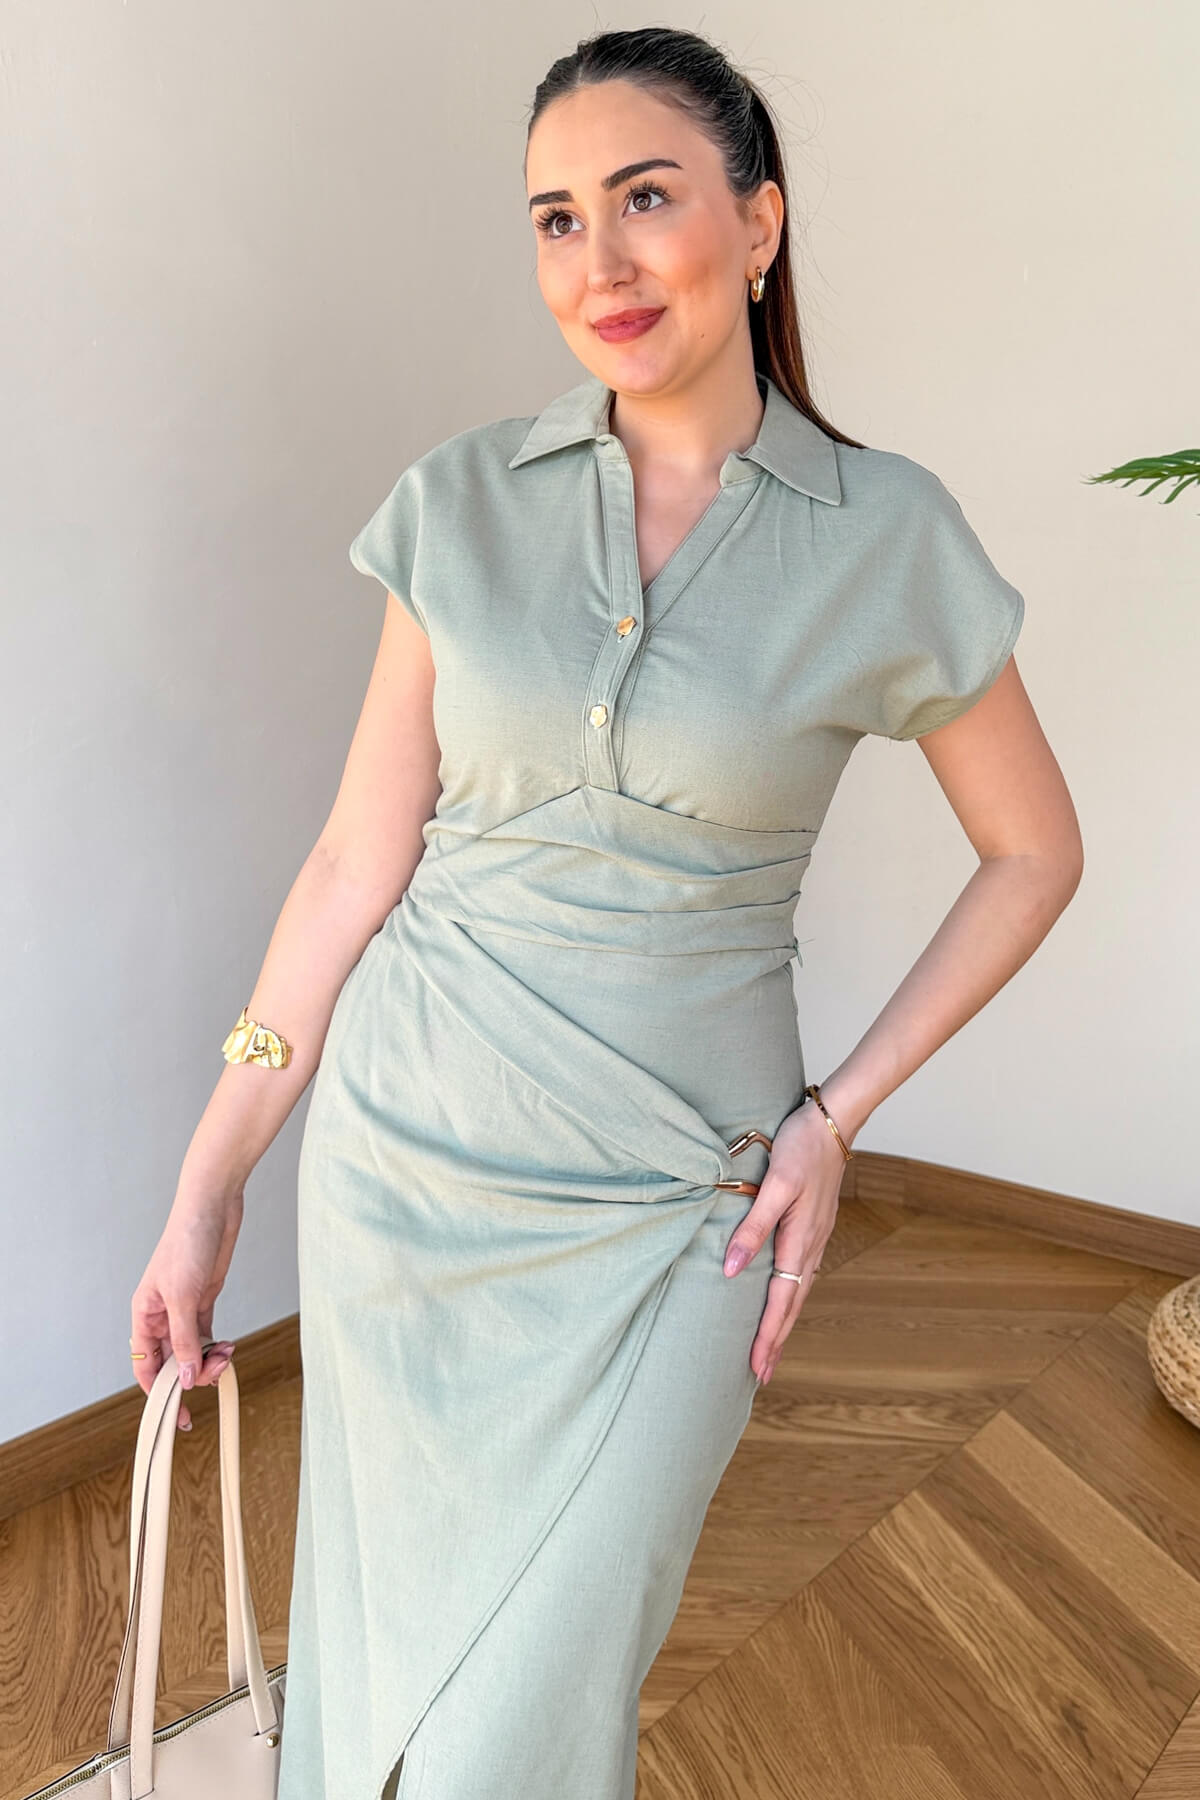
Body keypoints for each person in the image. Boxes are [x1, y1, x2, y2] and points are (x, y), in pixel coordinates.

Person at [129, 25, 1082, 1800]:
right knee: (377, 1666)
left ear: (760, 221)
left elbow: (1034, 853)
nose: (601, 263)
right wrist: (209, 1179)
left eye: (647, 199)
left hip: (683, 1209)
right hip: (405, 1179)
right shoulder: (459, 504)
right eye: (557, 219)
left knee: (519, 1728)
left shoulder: (887, 534)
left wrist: (838, 1116)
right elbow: (350, 869)